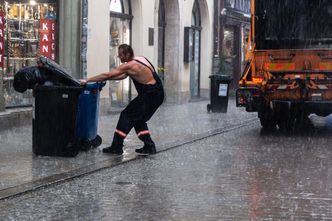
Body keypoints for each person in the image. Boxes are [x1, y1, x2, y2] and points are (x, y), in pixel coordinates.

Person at [79, 44, 164, 155]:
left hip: (149, 95)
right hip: (157, 93)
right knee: (138, 119)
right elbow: (122, 76)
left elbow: (107, 74)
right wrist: (108, 78)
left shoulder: (129, 65)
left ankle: (117, 146)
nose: (119, 58)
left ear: (127, 54)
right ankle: (149, 146)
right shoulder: (141, 59)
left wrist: (87, 80)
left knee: (126, 116)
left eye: (121, 55)